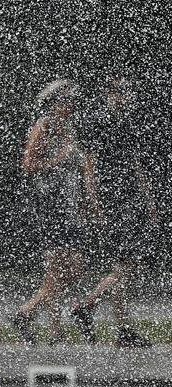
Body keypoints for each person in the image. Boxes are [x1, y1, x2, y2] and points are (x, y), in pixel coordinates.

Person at [12, 80, 102, 344]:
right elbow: (28, 165)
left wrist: (87, 200)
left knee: (74, 267)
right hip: (50, 204)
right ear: (56, 103)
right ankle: (55, 331)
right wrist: (58, 159)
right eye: (68, 101)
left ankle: (26, 313)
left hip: (68, 204)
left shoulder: (69, 128)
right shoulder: (45, 125)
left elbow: (80, 167)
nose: (73, 105)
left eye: (74, 101)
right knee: (57, 268)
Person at [70, 76, 154, 348]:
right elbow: (89, 165)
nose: (126, 97)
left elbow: (135, 163)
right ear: (109, 93)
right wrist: (95, 202)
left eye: (128, 92)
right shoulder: (99, 121)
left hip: (130, 198)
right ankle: (89, 304)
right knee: (126, 265)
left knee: (123, 264)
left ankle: (122, 329)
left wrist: (148, 198)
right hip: (113, 198)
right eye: (121, 92)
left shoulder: (126, 122)